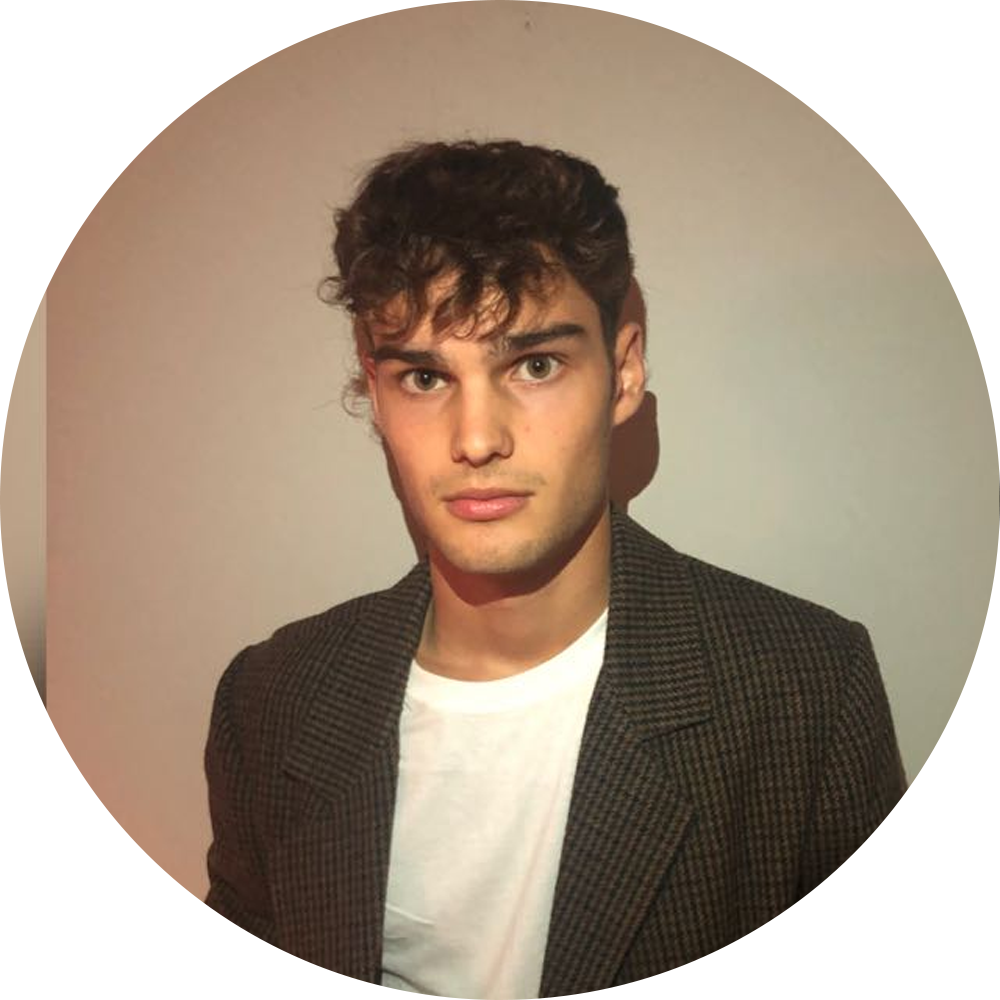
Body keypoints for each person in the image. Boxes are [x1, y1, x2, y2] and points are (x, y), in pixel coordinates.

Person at [194, 140, 920, 999]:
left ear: (624, 372)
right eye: (425, 377)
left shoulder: (803, 691)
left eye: (534, 365)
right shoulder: (272, 697)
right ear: (375, 393)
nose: (476, 439)